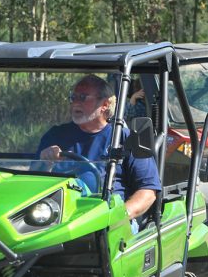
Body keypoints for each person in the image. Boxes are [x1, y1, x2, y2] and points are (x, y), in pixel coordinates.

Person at [37, 74, 161, 224]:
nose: (75, 102)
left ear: (105, 104)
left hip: (110, 221)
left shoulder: (125, 138)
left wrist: (116, 217)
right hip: (56, 218)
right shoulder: (55, 136)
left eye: (83, 97)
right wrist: (45, 162)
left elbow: (148, 191)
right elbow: (31, 182)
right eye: (73, 97)